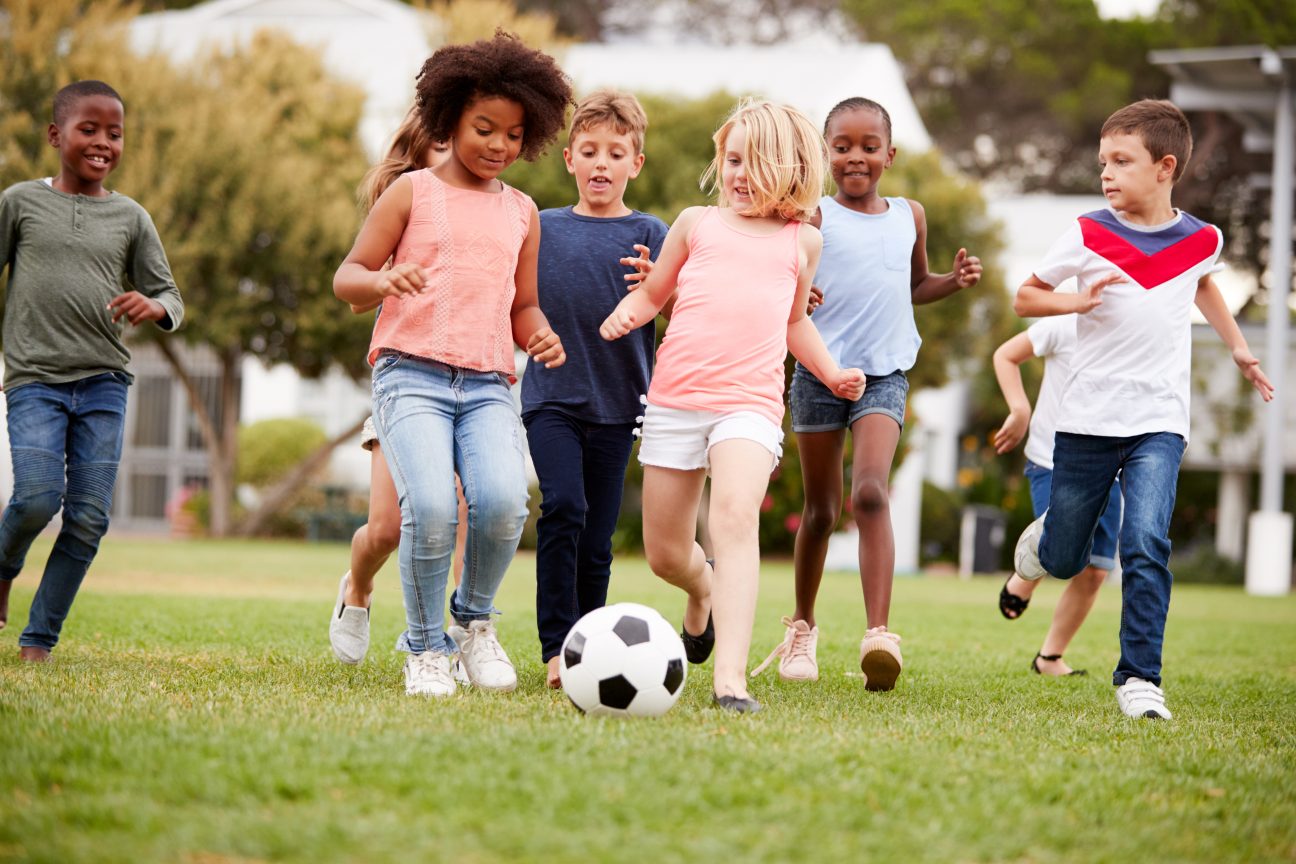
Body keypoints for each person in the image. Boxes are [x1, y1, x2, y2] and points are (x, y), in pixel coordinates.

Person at [600, 98, 866, 713]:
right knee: (666, 551)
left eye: (756, 163)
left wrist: (830, 371)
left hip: (748, 405)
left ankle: (731, 682)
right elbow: (655, 294)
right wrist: (626, 315)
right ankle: (702, 595)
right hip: (675, 401)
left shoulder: (803, 243)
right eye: (732, 160)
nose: (739, 174)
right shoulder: (696, 223)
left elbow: (795, 322)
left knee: (735, 520)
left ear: (791, 170)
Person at [1012, 99, 1273, 719]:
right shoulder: (1086, 233)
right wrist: (1075, 306)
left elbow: (1204, 281)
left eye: (1121, 162)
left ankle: (1138, 679)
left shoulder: (1201, 239)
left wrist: (1239, 349)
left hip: (1159, 420)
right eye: (1102, 161)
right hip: (1085, 423)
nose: (1106, 173)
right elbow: (1025, 297)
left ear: (1165, 167)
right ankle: (1045, 545)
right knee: (1068, 558)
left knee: (1146, 542)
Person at [333, 33, 572, 698]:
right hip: (410, 374)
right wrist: (381, 283)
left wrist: (542, 334)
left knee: (501, 505)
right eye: (483, 129)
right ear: (449, 120)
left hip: (490, 380)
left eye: (514, 134)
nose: (498, 145)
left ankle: (473, 623)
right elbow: (347, 276)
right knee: (431, 509)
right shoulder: (411, 193)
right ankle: (424, 647)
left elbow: (522, 306)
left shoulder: (522, 211)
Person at [753, 97, 981, 690]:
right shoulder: (813, 219)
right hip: (820, 374)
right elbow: (785, 290)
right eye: (843, 146)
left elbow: (913, 286)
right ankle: (801, 628)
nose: (857, 157)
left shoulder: (911, 215)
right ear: (826, 154)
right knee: (822, 511)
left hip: (884, 374)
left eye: (869, 146)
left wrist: (951, 283)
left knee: (872, 493)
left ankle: (879, 635)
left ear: (890, 153)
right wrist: (801, 300)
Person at [0, 80, 185, 661]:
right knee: (34, 498)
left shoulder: (131, 217)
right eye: (90, 129)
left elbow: (169, 296)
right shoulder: (20, 203)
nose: (104, 141)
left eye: (115, 132)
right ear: (56, 135)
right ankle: (3, 569)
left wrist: (153, 306)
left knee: (87, 517)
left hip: (104, 382)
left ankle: (38, 641)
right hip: (34, 379)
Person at [521, 90, 669, 689]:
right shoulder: (542, 227)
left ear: (637, 162)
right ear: (569, 160)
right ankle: (557, 647)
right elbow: (514, 299)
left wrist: (665, 285)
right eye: (589, 151)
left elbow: (683, 309)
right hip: (552, 397)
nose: (601, 163)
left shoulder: (653, 234)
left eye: (615, 152)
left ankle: (588, 645)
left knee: (599, 539)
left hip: (619, 404)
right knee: (563, 508)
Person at [328, 107, 466, 666]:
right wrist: (393, 278)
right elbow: (358, 293)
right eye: (442, 145)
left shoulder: (494, 207)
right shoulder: (407, 207)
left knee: (459, 514)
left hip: (471, 388)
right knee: (386, 529)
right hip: (405, 385)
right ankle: (356, 589)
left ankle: (452, 632)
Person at [991, 314, 1121, 676]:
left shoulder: (1133, 335)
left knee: (1095, 571)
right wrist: (1020, 408)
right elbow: (1005, 355)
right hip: (1052, 459)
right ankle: (1026, 575)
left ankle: (1049, 658)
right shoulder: (1064, 326)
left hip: (1111, 465)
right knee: (1061, 546)